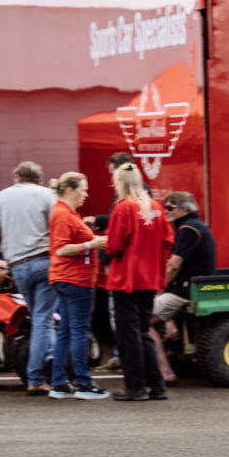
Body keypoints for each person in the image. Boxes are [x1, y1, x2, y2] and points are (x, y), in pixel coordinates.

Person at [104, 163, 173, 401]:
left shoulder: (123, 208)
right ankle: (157, 385)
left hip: (126, 279)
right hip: (149, 279)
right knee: (143, 332)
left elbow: (113, 245)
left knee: (128, 334)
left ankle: (136, 386)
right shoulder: (155, 207)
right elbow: (167, 241)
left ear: (121, 183)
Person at [0, 161, 58, 395]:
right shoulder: (48, 195)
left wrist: (8, 261)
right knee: (44, 320)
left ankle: (51, 360)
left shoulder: (2, 196)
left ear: (17, 177)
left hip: (18, 266)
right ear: (38, 178)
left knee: (41, 319)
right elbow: (56, 227)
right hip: (43, 262)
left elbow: (2, 233)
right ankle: (36, 377)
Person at [47, 172, 109, 400]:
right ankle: (83, 383)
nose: (86, 194)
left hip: (67, 279)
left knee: (66, 333)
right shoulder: (63, 214)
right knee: (79, 332)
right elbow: (61, 249)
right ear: (71, 190)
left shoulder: (64, 212)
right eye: (83, 190)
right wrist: (90, 244)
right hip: (75, 280)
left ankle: (59, 383)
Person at [90, 152, 136, 373]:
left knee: (120, 314)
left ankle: (127, 360)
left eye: (114, 178)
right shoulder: (148, 205)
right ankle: (125, 357)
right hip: (135, 270)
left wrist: (102, 244)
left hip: (122, 267)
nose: (111, 183)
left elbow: (118, 238)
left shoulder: (126, 205)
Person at [153, 191, 216, 334]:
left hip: (186, 291)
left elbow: (174, 265)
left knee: (141, 320)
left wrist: (161, 288)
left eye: (170, 208)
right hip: (190, 287)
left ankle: (155, 356)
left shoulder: (188, 229)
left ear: (185, 209)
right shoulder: (194, 225)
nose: (166, 211)